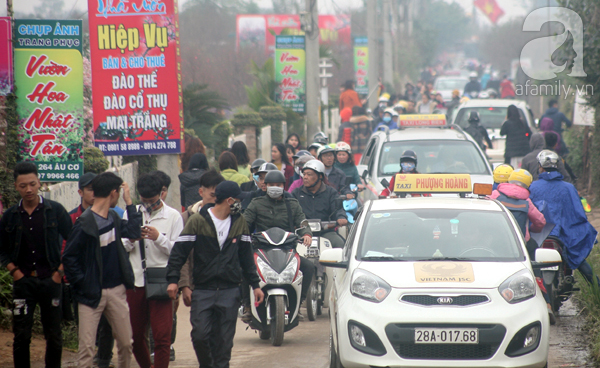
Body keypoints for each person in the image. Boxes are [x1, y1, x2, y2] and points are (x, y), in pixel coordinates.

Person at [166, 181, 264, 368]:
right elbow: (179, 252)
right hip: (203, 289)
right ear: (229, 200)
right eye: (237, 200)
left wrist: (255, 284)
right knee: (200, 335)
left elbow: (245, 256)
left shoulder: (239, 222)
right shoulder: (197, 221)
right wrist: (174, 281)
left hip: (229, 290)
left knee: (224, 341)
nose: (239, 204)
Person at [63, 172, 142, 368]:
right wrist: (83, 283)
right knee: (87, 349)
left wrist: (130, 203)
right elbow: (69, 257)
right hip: (91, 293)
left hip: (116, 290)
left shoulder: (113, 217)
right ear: (113, 193)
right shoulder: (84, 222)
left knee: (126, 343)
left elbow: (133, 231)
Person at [0, 162, 72, 368]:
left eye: (32, 184)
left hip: (51, 282)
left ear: (39, 182)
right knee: (21, 335)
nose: (28, 189)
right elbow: (2, 249)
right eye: (23, 186)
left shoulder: (55, 211)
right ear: (16, 186)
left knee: (54, 335)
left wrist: (59, 272)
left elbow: (74, 242)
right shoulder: (10, 216)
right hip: (23, 284)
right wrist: (14, 272)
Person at [122, 174, 184, 368]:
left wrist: (159, 238)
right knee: (135, 334)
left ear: (162, 193)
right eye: (144, 200)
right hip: (136, 281)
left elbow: (178, 252)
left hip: (161, 281)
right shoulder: (131, 214)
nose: (148, 204)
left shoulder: (173, 216)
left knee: (162, 336)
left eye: (152, 200)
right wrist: (132, 239)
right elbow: (122, 246)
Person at [242, 170, 313, 321]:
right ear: (265, 186)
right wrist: (239, 233)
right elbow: (244, 223)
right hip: (262, 249)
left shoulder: (292, 204)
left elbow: (302, 222)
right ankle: (247, 305)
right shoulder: (256, 203)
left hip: (287, 250)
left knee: (308, 267)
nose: (275, 187)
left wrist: (306, 234)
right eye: (271, 184)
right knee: (243, 268)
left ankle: (298, 304)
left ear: (284, 186)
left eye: (278, 185)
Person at [66, 173, 115, 368]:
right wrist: (79, 279)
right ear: (80, 192)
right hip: (84, 284)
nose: (94, 193)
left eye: (96, 189)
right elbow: (66, 250)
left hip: (107, 281)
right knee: (86, 329)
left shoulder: (112, 216)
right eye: (89, 189)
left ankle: (104, 359)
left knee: (107, 326)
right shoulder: (73, 217)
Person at [529, 150, 599, 287]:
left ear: (540, 167)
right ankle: (597, 287)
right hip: (563, 237)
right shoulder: (569, 188)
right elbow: (577, 214)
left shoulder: (532, 187)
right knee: (579, 260)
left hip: (538, 237)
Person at [178, 170, 225, 308]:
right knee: (201, 328)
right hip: (197, 286)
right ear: (201, 192)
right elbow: (182, 255)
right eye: (212, 195)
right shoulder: (186, 218)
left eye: (219, 195)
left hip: (223, 287)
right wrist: (185, 285)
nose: (216, 200)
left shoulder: (229, 219)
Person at [292, 160, 348, 249]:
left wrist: (341, 217)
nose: (305, 177)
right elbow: (290, 211)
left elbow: (338, 209)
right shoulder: (296, 193)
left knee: (340, 245)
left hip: (326, 232)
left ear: (320, 176)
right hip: (302, 232)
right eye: (304, 174)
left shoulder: (331, 192)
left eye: (309, 174)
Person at [489, 169, 546, 255]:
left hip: (495, 238)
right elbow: (540, 221)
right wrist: (532, 229)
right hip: (520, 241)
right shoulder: (527, 201)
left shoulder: (495, 194)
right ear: (528, 184)